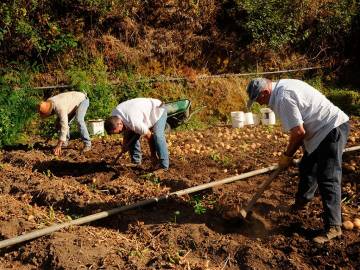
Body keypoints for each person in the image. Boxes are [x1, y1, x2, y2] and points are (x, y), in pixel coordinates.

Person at [246, 78, 349, 244]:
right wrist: (290, 153)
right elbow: (300, 129)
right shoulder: (283, 85)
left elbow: (299, 133)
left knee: (328, 178)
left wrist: (287, 155)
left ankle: (334, 227)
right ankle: (301, 203)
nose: (259, 103)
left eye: (258, 99)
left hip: (331, 129)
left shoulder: (283, 98)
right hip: (319, 132)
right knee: (307, 167)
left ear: (265, 92)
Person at [104, 97, 169, 171]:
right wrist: (125, 144)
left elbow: (149, 136)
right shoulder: (114, 116)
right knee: (130, 135)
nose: (120, 133)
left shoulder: (134, 122)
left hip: (158, 110)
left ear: (119, 124)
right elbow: (127, 132)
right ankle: (136, 162)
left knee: (158, 135)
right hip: (141, 115)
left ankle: (164, 166)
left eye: (119, 132)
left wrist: (153, 155)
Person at [38, 91, 91, 156]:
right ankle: (65, 142)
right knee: (60, 122)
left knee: (79, 120)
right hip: (72, 103)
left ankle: (88, 144)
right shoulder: (50, 101)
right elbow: (60, 121)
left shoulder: (60, 108)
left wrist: (58, 145)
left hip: (82, 100)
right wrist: (57, 125)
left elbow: (64, 126)